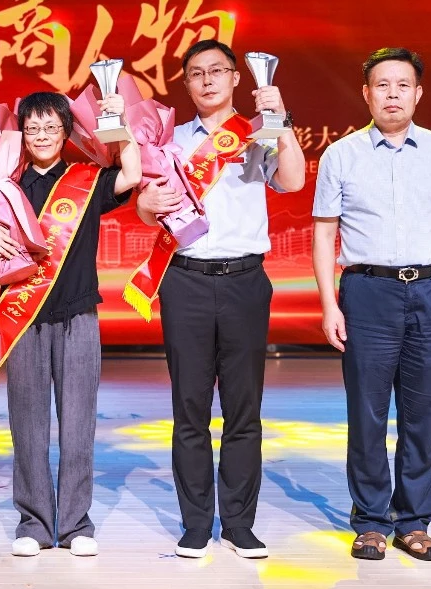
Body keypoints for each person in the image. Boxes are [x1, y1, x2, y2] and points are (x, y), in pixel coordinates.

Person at [135, 40, 306, 559]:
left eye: (217, 70)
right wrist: (146, 203)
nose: (207, 80)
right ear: (185, 84)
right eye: (196, 73)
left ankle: (237, 523)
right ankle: (195, 523)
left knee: (243, 409)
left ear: (236, 78)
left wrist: (280, 119)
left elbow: (293, 179)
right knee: (189, 409)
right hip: (184, 280)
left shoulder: (257, 132)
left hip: (244, 282)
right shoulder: (169, 139)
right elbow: (148, 207)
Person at [0, 91, 140, 557]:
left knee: (78, 425)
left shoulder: (87, 180)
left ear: (66, 133)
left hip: (78, 315)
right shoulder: (3, 187)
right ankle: (34, 524)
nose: (41, 136)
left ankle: (76, 525)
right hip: (22, 319)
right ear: (21, 134)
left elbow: (133, 174)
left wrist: (118, 124)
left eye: (51, 127)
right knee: (28, 426)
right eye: (33, 128)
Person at [311, 47, 431, 562]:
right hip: (367, 292)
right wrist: (329, 304)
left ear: (418, 93)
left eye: (403, 85)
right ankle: (369, 522)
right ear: (366, 94)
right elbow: (324, 234)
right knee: (367, 413)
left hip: (430, 291)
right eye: (382, 85)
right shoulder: (341, 155)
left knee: (422, 413)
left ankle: (414, 521)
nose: (392, 94)